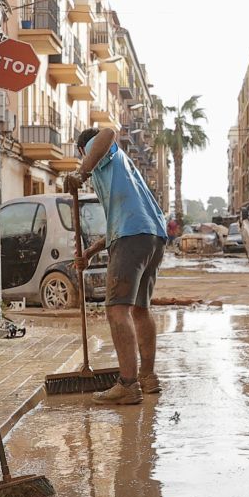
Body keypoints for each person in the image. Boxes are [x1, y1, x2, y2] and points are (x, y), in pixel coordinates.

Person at [66, 128, 168, 405]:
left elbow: (109, 132)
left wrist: (81, 171)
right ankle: (147, 378)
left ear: (82, 151)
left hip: (133, 236)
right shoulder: (120, 172)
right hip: (152, 237)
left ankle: (127, 385)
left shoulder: (105, 155)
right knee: (139, 309)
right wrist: (89, 252)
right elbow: (119, 224)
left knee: (116, 310)